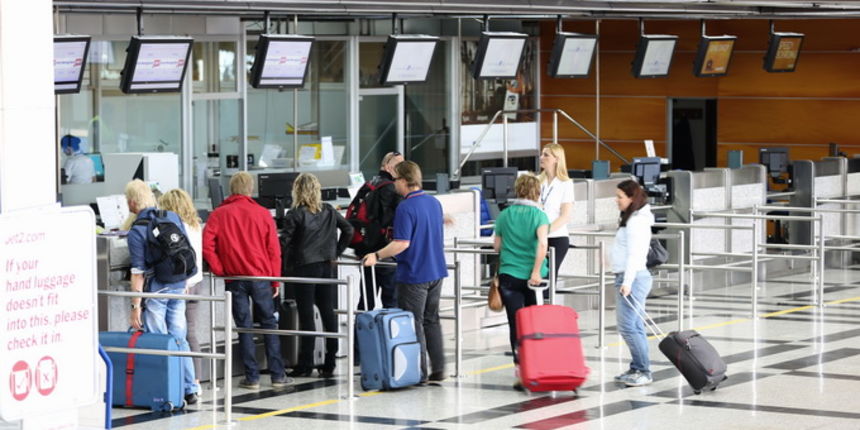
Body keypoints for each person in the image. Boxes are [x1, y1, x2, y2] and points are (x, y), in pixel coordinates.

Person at [203, 172, 288, 390]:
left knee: (244, 327)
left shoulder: (219, 214)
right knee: (269, 324)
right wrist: (275, 281)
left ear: (231, 189)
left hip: (235, 278)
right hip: (261, 278)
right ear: (251, 189)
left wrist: (220, 270)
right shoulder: (262, 213)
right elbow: (274, 251)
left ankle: (252, 378)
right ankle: (278, 375)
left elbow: (207, 246)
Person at [363, 161, 447, 382]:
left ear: (404, 180)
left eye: (396, 180)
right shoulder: (434, 202)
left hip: (414, 273)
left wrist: (376, 255)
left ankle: (420, 372)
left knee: (414, 321)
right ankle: (438, 368)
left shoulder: (406, 207)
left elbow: (401, 243)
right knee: (431, 320)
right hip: (436, 270)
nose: (394, 185)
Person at [124, 180, 199, 404]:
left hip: (157, 289)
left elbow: (138, 273)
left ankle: (167, 389)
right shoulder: (172, 216)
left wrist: (135, 307)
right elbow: (185, 249)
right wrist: (185, 280)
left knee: (159, 340)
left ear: (132, 202)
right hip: (179, 284)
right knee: (179, 338)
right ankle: (189, 388)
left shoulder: (137, 230)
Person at [280, 173, 353, 378]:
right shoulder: (329, 210)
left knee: (306, 315)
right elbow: (348, 229)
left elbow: (284, 242)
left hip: (304, 267)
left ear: (297, 190)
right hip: (326, 266)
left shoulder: (295, 214)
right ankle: (330, 360)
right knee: (328, 311)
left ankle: (306, 363)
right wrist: (335, 252)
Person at [492, 174, 549, 391]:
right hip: (533, 279)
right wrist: (535, 271)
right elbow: (542, 244)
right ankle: (537, 367)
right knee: (535, 323)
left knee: (515, 323)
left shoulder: (504, 214)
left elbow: (497, 246)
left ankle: (520, 371)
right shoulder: (539, 215)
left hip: (509, 275)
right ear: (537, 192)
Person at [158, 188, 204, 392]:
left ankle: (182, 380)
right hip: (197, 282)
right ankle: (196, 380)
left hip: (182, 284)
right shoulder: (195, 225)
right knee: (190, 332)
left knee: (178, 334)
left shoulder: (176, 229)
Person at [612, 179, 655, 387]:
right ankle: (638, 367)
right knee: (635, 326)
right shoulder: (634, 219)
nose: (616, 200)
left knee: (628, 327)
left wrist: (627, 282)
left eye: (620, 197)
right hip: (633, 276)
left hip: (633, 277)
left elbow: (634, 255)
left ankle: (643, 371)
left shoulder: (636, 222)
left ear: (631, 198)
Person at [354, 151, 404, 310]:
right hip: (385, 251)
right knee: (391, 300)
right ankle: (390, 327)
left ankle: (361, 326)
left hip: (365, 249)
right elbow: (395, 218)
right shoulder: (392, 188)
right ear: (388, 167)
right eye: (400, 165)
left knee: (366, 298)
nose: (403, 169)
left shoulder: (369, 184)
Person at [538, 143, 574, 281]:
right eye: (542, 154)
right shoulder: (537, 181)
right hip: (537, 237)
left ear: (557, 159)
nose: (541, 157)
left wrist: (545, 231)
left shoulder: (565, 183)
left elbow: (565, 216)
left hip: (556, 237)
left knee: (548, 278)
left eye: (546, 155)